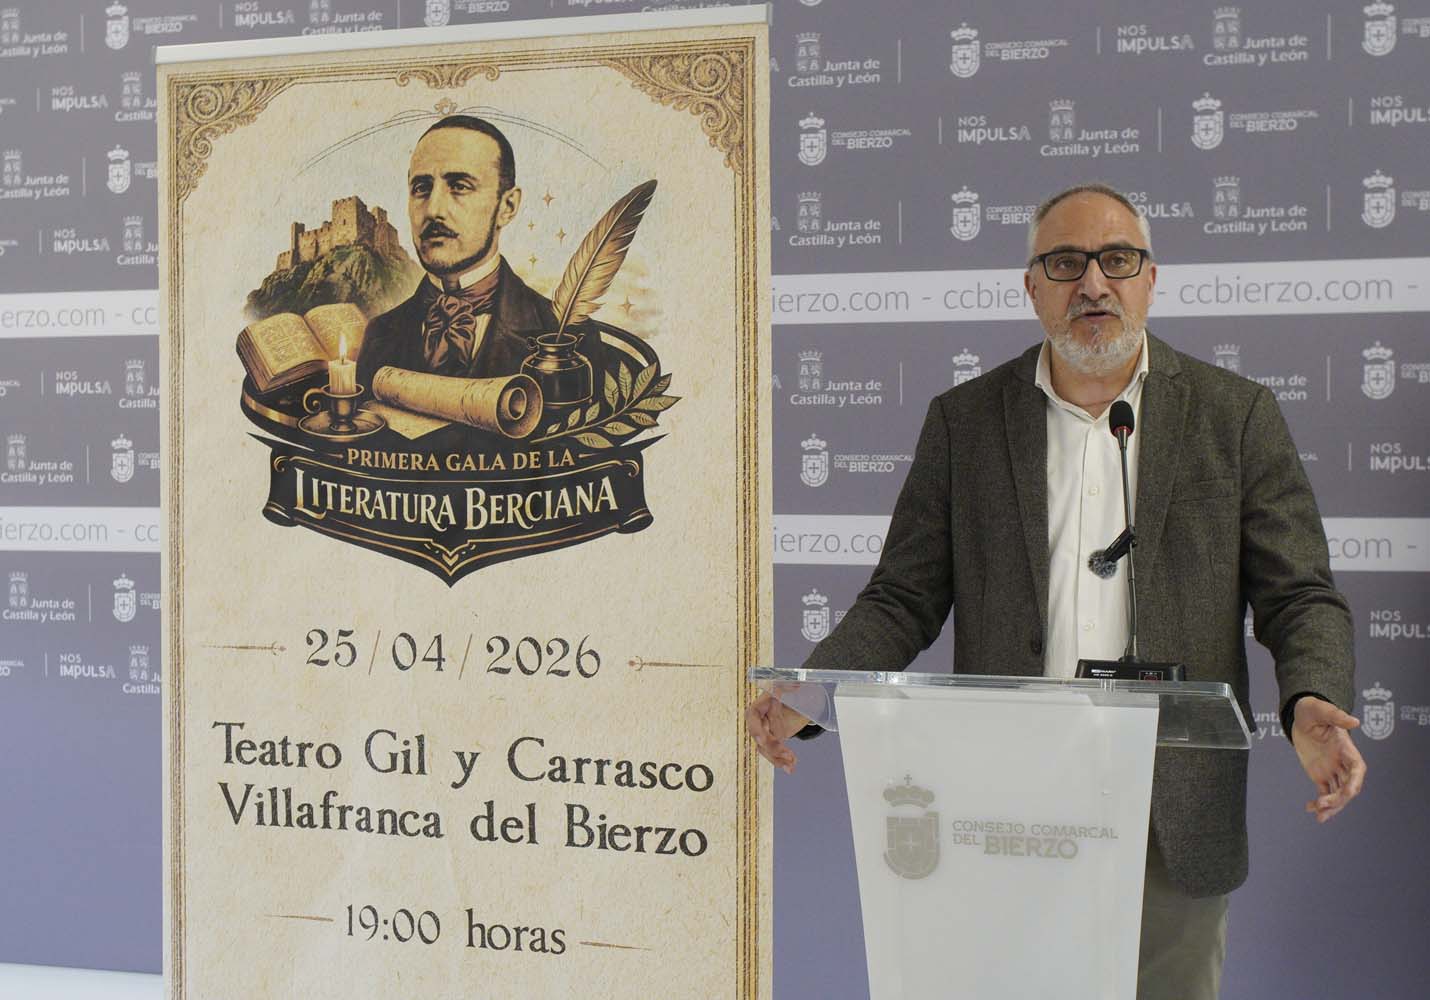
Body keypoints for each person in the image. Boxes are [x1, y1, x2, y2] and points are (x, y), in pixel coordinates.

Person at [747, 183, 1367, 1000]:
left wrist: (1311, 697)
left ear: (1150, 278)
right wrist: (819, 682)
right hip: (1004, 803)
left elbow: (1299, 595)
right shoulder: (964, 423)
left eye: (1117, 260)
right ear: (1032, 288)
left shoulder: (1234, 416)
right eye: (1066, 262)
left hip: (1167, 805)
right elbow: (902, 596)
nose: (1094, 283)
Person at [357, 114, 604, 391]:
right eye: (422, 188)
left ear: (507, 206)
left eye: (460, 187)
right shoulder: (380, 334)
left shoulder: (569, 336)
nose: (433, 209)